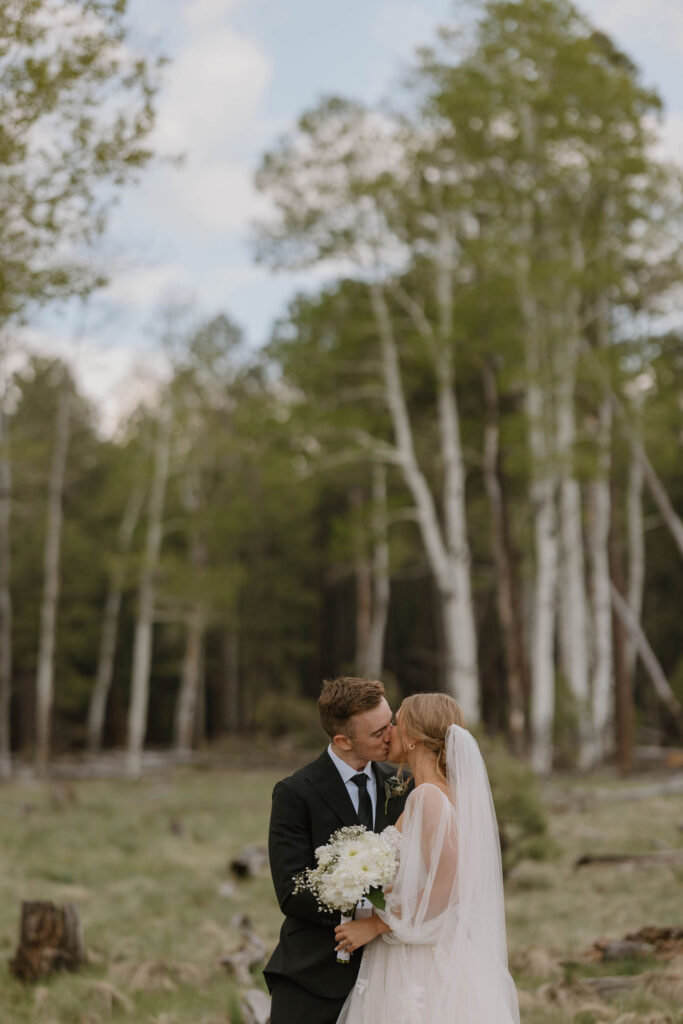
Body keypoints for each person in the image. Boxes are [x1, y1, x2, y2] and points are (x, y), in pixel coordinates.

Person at [334, 693, 520, 1024]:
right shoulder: (434, 793)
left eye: (396, 722)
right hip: (415, 945)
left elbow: (451, 886)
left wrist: (376, 924)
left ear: (413, 738)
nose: (388, 730)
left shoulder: (428, 797)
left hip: (418, 960)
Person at [264, 677, 412, 1024]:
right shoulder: (295, 793)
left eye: (389, 722)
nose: (392, 734)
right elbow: (291, 890)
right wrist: (359, 898)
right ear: (342, 741)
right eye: (378, 733)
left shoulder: (404, 784)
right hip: (315, 973)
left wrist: (381, 923)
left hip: (391, 971)